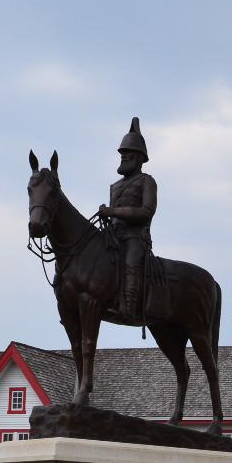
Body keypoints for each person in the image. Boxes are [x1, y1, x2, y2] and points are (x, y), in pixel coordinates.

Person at [96, 117, 157, 321]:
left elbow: (146, 212)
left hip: (135, 237)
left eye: (128, 154)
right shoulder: (114, 186)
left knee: (131, 262)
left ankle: (128, 308)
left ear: (139, 158)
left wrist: (112, 211)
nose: (123, 157)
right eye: (122, 153)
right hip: (114, 236)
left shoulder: (146, 181)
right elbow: (114, 219)